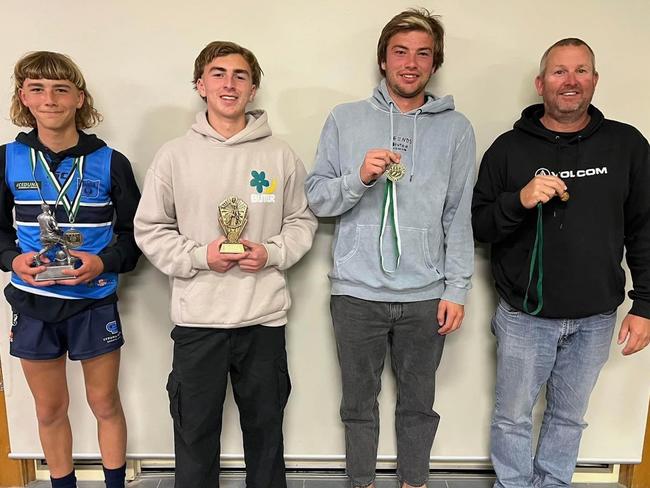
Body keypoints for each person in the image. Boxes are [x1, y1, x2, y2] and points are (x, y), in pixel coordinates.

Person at [134, 41, 317, 488]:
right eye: (218, 74)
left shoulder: (279, 155)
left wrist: (270, 253)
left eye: (240, 75)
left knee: (266, 436)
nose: (229, 84)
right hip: (199, 323)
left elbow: (301, 220)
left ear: (253, 89)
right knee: (195, 438)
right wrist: (201, 257)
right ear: (201, 85)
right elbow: (150, 229)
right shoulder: (174, 156)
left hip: (263, 320)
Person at [305, 9, 475, 488]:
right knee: (357, 403)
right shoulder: (345, 118)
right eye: (400, 52)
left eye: (423, 54)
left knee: (419, 404)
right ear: (383, 60)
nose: (411, 63)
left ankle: (413, 481)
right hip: (357, 293)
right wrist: (358, 178)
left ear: (434, 64)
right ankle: (360, 481)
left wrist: (457, 289)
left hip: (426, 295)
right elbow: (317, 198)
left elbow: (457, 215)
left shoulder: (457, 128)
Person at [472, 38, 650, 488]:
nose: (571, 81)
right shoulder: (509, 149)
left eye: (581, 71)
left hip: (595, 317)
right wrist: (520, 200)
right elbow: (479, 226)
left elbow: (645, 228)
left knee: (569, 419)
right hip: (525, 316)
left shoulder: (626, 145)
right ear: (540, 83)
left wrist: (645, 304)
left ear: (594, 80)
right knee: (512, 417)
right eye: (559, 72)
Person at [1, 51, 141, 488]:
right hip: (34, 301)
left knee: (104, 403)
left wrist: (104, 261)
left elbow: (137, 235)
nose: (50, 99)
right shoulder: (7, 158)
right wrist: (12, 260)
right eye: (37, 88)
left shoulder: (110, 161)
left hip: (93, 301)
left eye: (61, 89)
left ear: (80, 98)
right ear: (23, 96)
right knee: (49, 409)